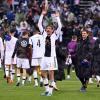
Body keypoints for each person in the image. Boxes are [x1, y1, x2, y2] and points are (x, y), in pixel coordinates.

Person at [38, 9, 62, 96]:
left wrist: (58, 17)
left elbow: (60, 27)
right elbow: (39, 24)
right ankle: (47, 90)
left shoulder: (55, 35)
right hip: (44, 57)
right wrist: (42, 14)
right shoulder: (43, 34)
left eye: (49, 29)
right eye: (47, 28)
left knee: (51, 73)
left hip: (52, 57)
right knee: (43, 73)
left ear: (52, 30)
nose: (47, 29)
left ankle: (51, 92)